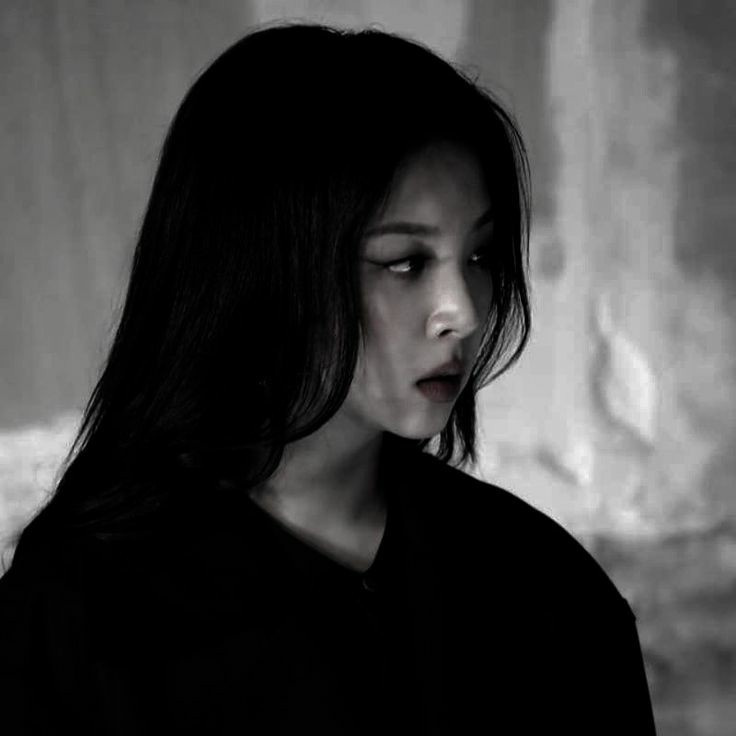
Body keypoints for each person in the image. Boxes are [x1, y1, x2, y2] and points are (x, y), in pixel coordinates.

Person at [0, 22, 657, 735]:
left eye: (481, 255)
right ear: (261, 267)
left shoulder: (546, 594)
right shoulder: (77, 616)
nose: (463, 312)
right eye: (405, 262)